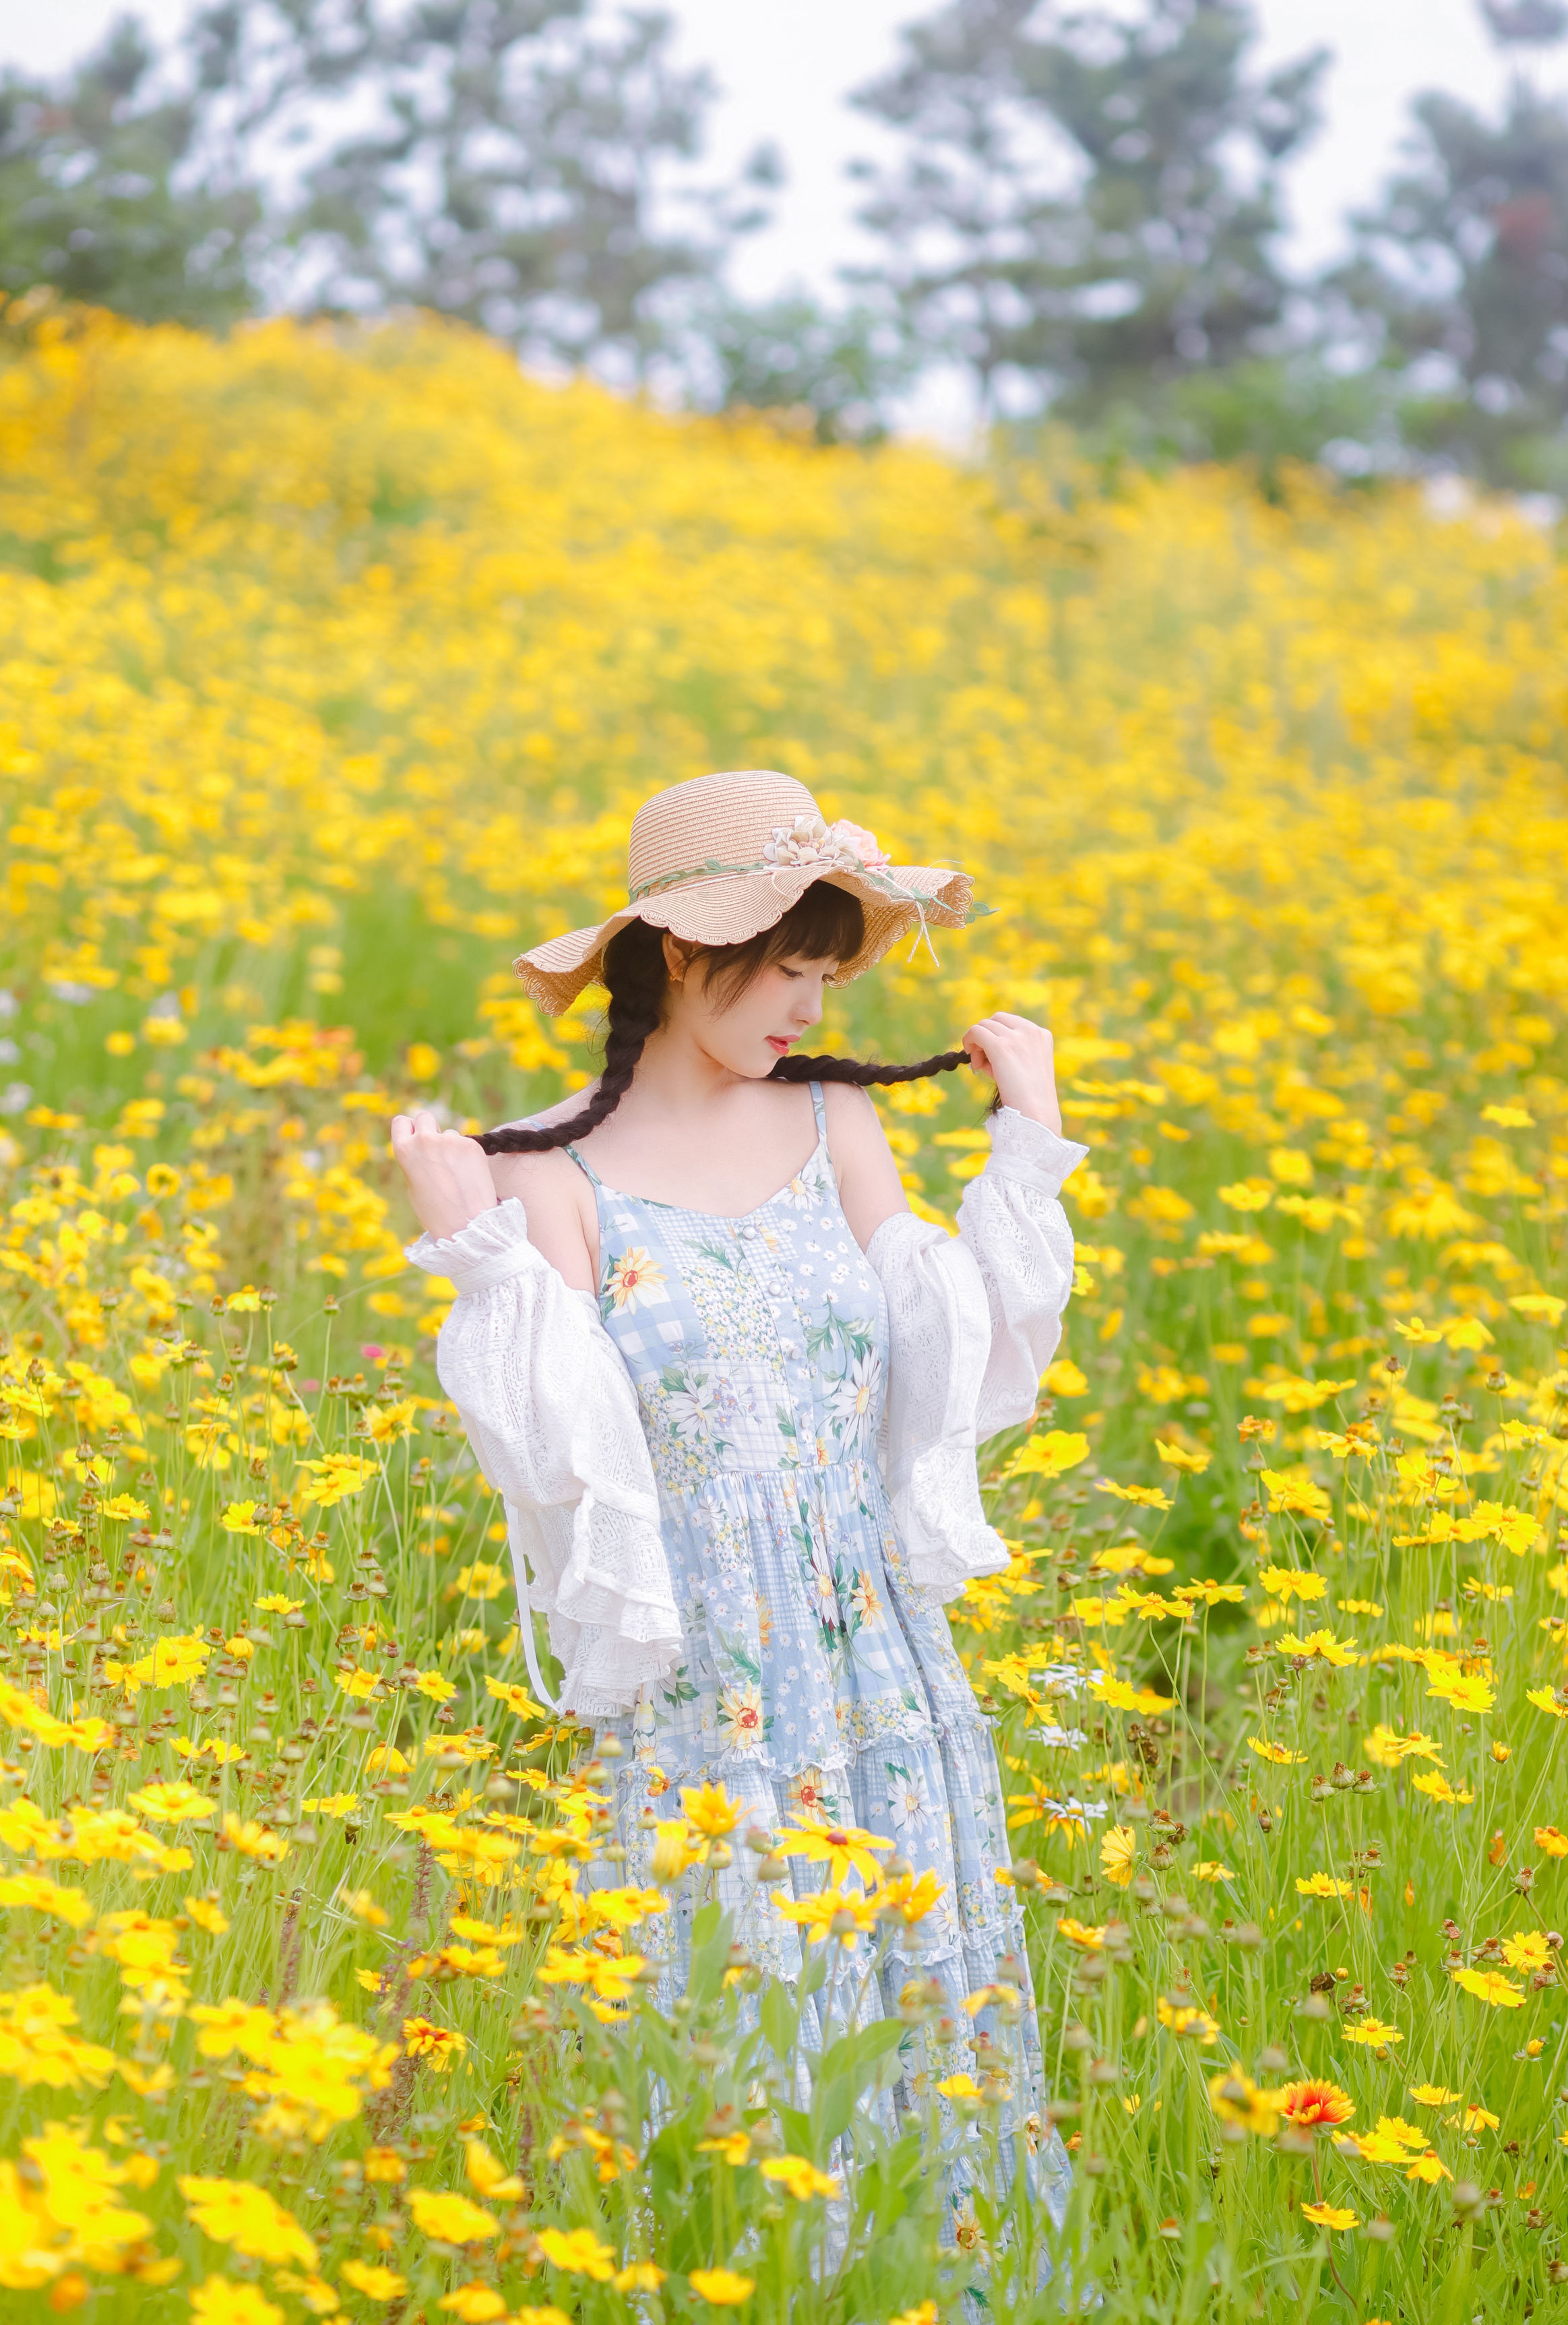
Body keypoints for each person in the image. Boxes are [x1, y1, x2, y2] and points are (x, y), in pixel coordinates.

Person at [392, 768, 1084, 2231]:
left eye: (830, 977)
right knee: (736, 2022)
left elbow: (952, 1349)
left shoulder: (838, 1131)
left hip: (878, 1658)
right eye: (789, 971)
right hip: (700, 1686)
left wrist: (1028, 1142)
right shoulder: (547, 1172)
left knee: (913, 2023)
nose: (814, 1014)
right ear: (685, 954)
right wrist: (481, 1262)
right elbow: (558, 1459)